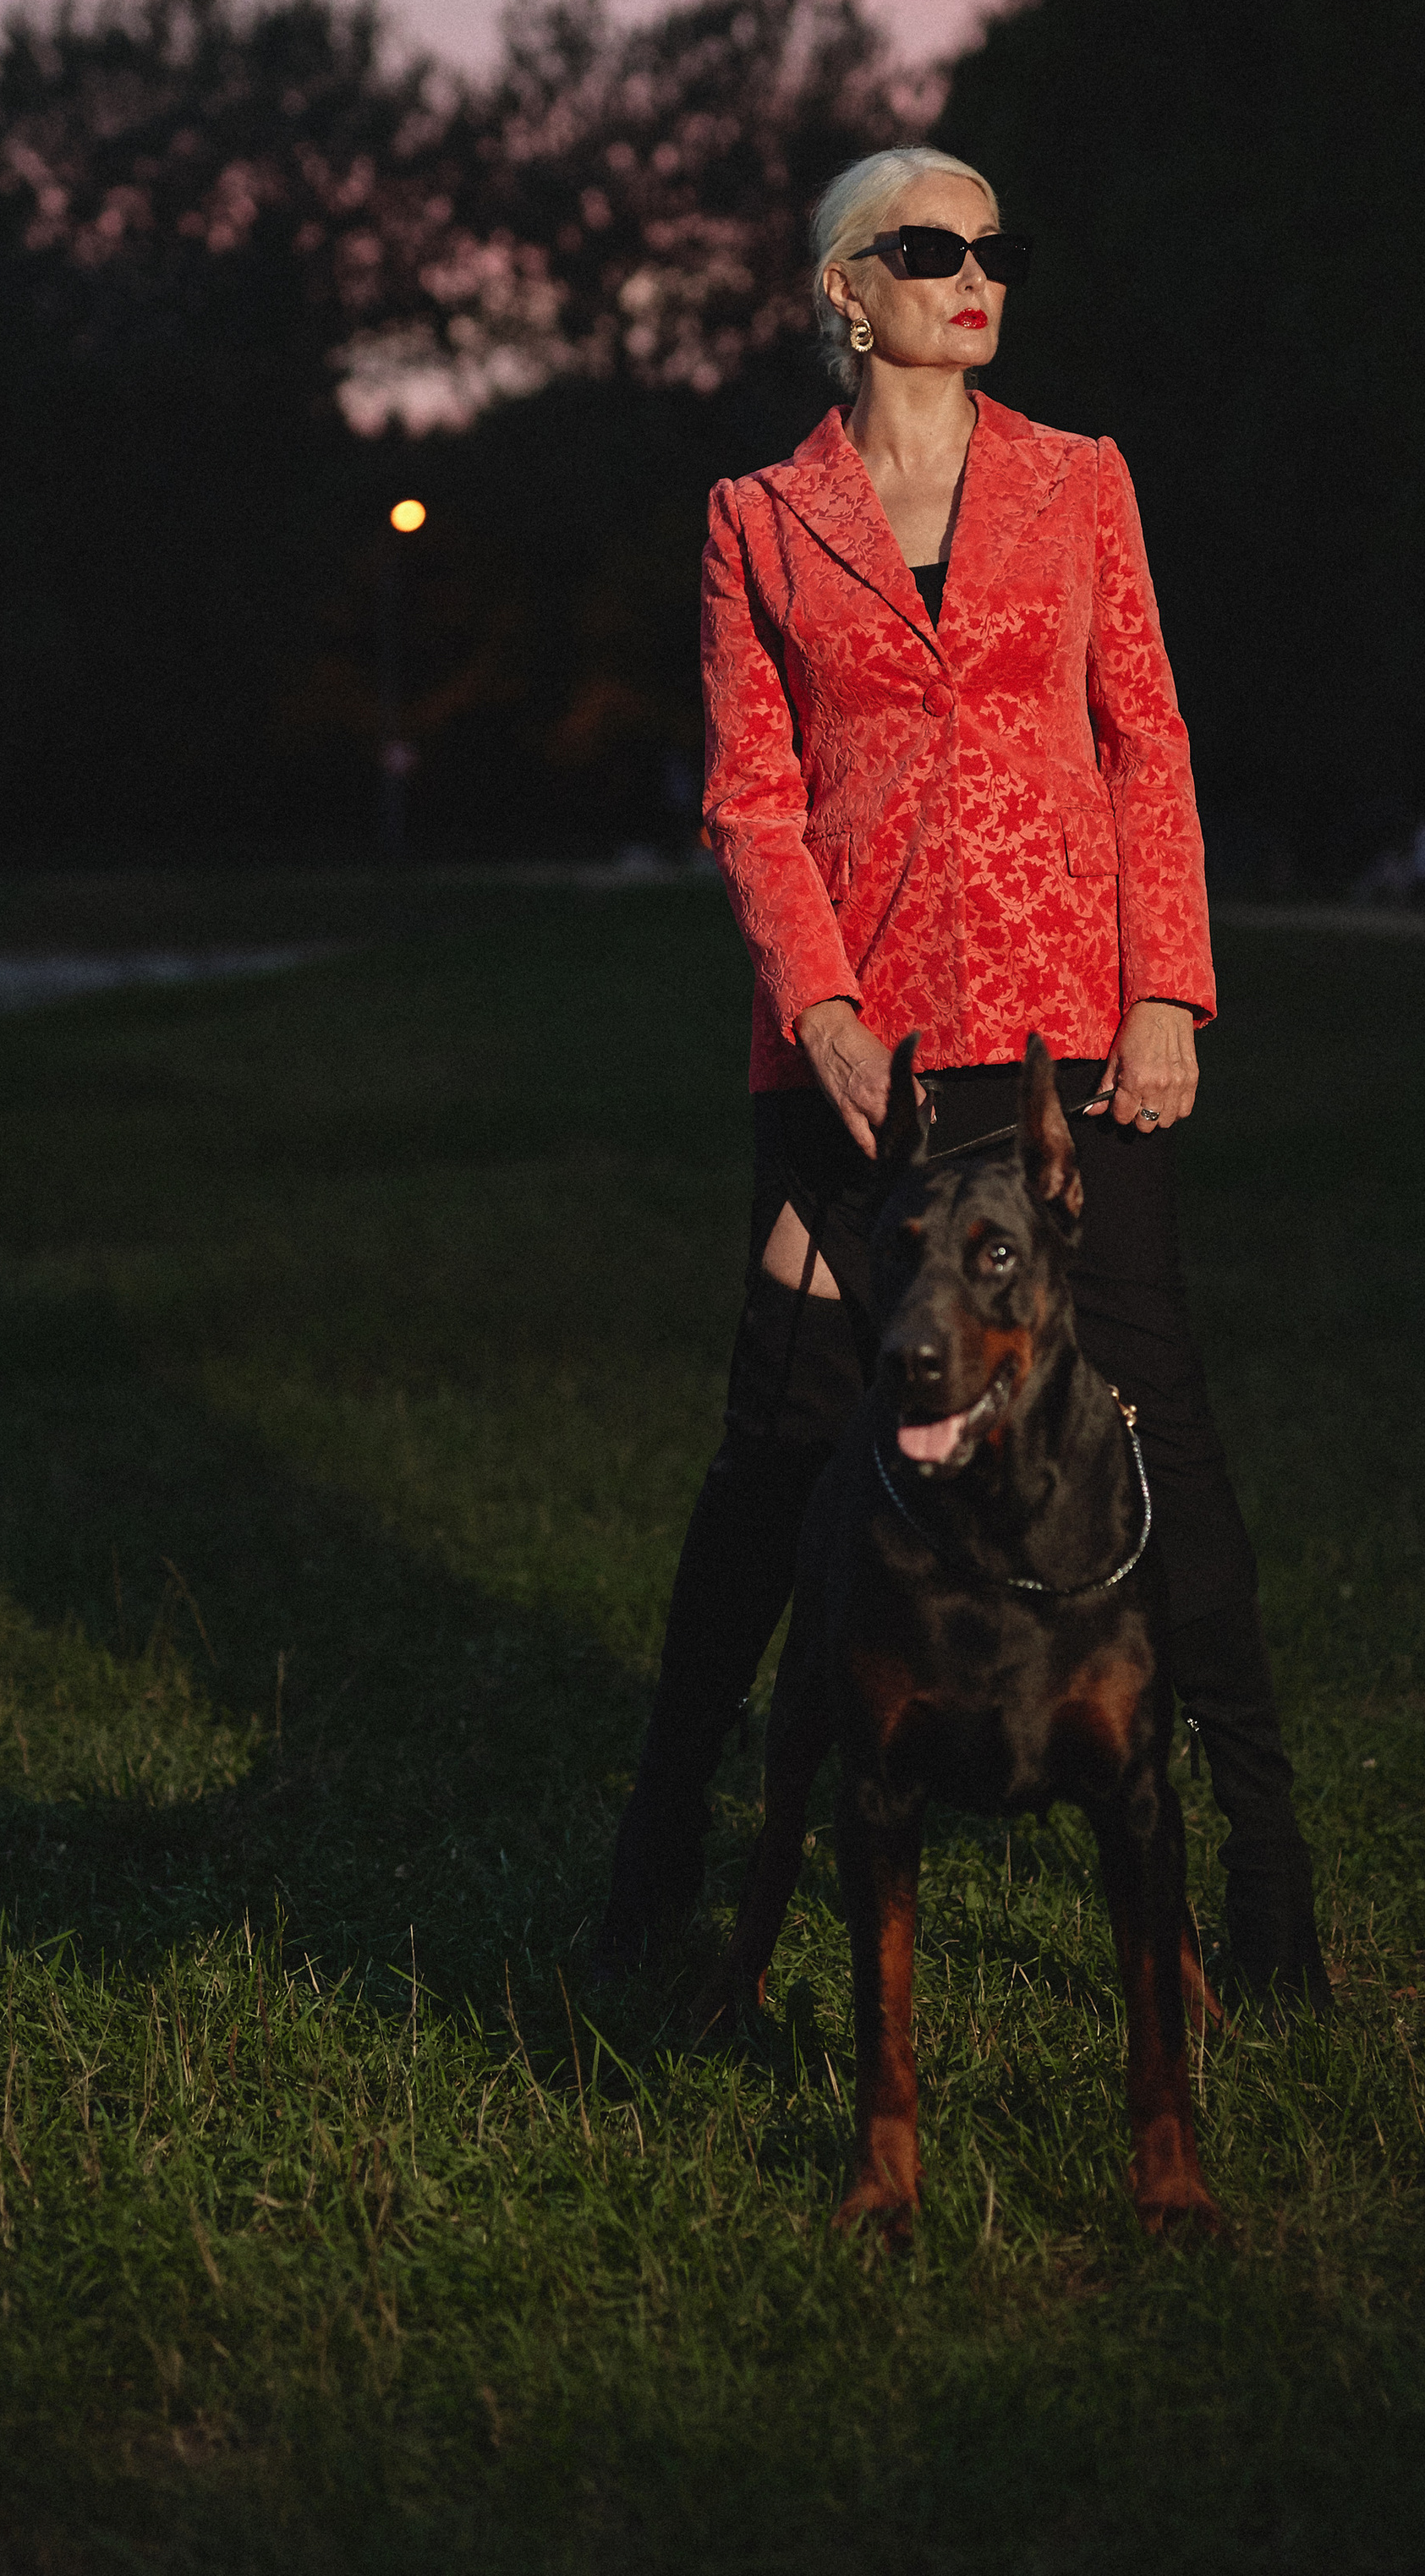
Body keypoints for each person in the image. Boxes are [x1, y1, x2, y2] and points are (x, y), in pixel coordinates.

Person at [593, 145, 1331, 2012]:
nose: (976, 273)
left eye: (994, 246)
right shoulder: (758, 517)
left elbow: (1143, 733)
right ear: (845, 288)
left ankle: (1268, 1892)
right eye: (932, 248)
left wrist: (1169, 988)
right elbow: (748, 797)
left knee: (1157, 1435)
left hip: (1073, 1045)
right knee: (776, 1452)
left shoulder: (1079, 483)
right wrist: (823, 1010)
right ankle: (653, 1870)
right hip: (855, 1063)